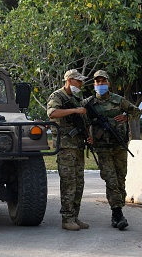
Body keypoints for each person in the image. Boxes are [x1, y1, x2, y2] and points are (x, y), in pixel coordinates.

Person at [84, 70, 141, 230]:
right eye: (97, 82)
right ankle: (117, 213)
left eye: (103, 81)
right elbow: (82, 120)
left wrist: (126, 117)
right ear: (94, 84)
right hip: (102, 148)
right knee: (111, 179)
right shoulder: (88, 103)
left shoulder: (118, 100)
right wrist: (88, 136)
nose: (100, 84)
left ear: (108, 83)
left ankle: (118, 209)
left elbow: (136, 111)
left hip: (119, 146)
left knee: (120, 178)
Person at [47, 69, 89, 231]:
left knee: (79, 183)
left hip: (78, 146)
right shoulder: (57, 96)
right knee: (68, 182)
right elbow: (52, 113)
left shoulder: (77, 97)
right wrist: (75, 110)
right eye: (79, 81)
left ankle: (75, 216)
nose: (81, 84)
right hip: (65, 147)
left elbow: (83, 119)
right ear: (70, 80)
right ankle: (67, 218)